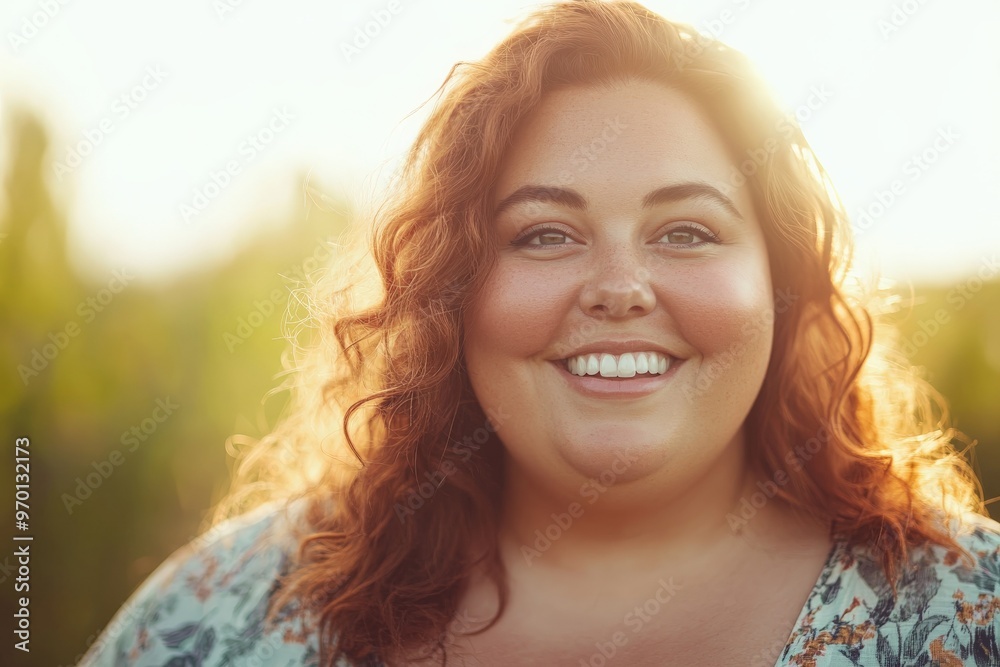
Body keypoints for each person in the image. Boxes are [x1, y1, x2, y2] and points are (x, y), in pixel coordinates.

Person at [80, 1, 1000, 666]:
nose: (618, 288)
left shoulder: (966, 616)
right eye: (544, 234)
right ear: (452, 292)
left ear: (785, 285)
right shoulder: (225, 610)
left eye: (686, 230)